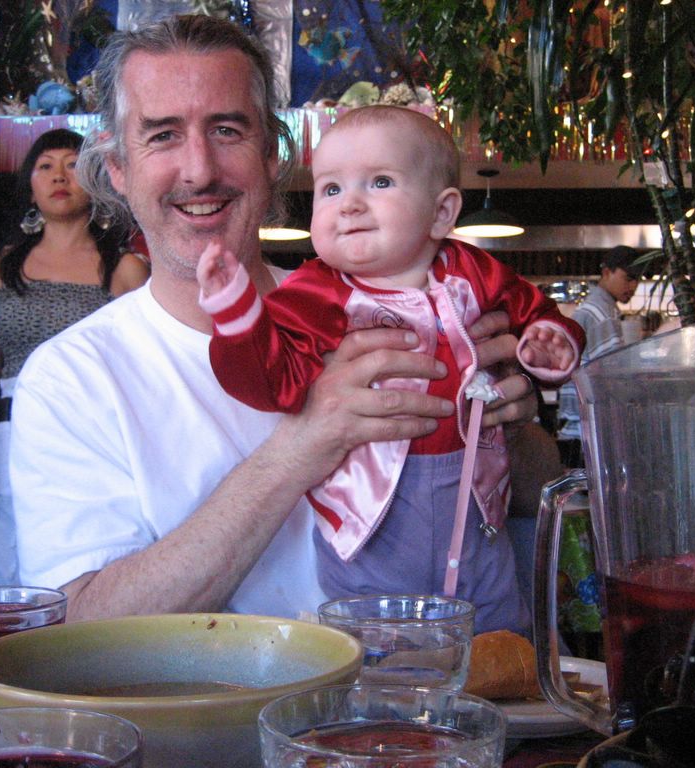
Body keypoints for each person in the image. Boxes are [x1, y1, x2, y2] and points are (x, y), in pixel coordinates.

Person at [7, 14, 538, 622]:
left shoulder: (399, 305)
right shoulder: (72, 376)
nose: (200, 170)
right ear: (118, 168)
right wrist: (298, 449)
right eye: (162, 135)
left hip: (437, 675)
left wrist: (505, 427)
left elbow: (533, 494)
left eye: (227, 130)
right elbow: (77, 624)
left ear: (271, 156)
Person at [195, 105, 584, 633]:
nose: (349, 204)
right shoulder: (315, 294)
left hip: (478, 496)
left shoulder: (474, 273)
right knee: (375, 636)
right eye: (331, 189)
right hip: (372, 513)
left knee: (497, 625)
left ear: (442, 213)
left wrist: (549, 342)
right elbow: (269, 382)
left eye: (379, 182)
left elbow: (535, 312)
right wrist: (239, 314)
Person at [0, 128, 149, 585]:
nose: (59, 176)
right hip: (11, 434)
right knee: (11, 576)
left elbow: (145, 372)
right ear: (30, 186)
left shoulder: (126, 268)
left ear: (96, 181)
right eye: (45, 166)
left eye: (73, 165)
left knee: (90, 568)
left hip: (92, 435)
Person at [557, 245, 642, 467]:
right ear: (606, 272)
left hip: (576, 427)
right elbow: (612, 377)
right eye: (628, 278)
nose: (633, 286)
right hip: (586, 429)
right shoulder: (601, 314)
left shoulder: (596, 308)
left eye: (637, 279)